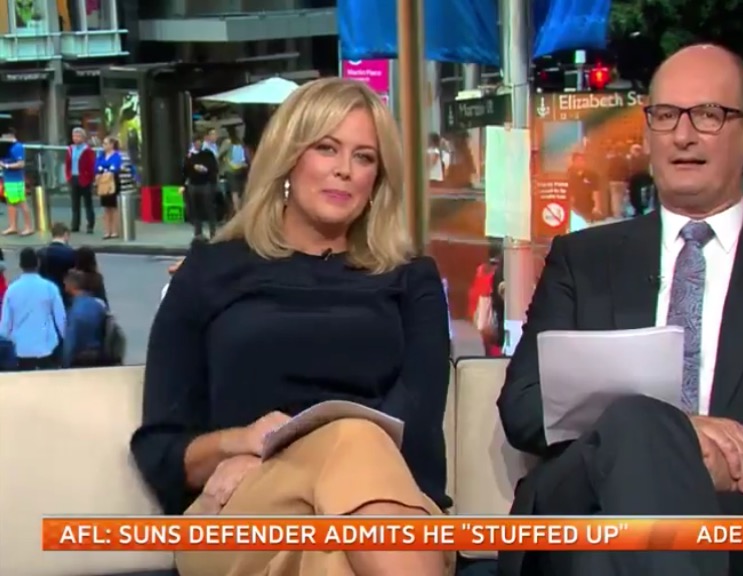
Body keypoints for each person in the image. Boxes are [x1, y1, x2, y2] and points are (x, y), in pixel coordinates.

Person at [497, 44, 743, 576]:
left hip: (741, 518)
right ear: (648, 131)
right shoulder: (583, 259)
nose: (682, 136)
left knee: (605, 557)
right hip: (586, 500)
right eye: (665, 116)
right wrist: (675, 437)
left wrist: (723, 464)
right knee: (638, 422)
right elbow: (523, 408)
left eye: (707, 115)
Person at [131, 77, 452, 576]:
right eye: (327, 148)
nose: (345, 169)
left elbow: (418, 423)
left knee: (334, 550)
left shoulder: (411, 279)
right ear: (288, 156)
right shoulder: (209, 271)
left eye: (364, 157)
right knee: (354, 439)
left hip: (389, 499)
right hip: (244, 505)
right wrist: (242, 444)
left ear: (377, 179)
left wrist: (304, 454)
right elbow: (161, 449)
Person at [0, 248, 66, 370]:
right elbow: (61, 320)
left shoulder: (12, 290)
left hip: (21, 349)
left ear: (20, 265)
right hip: (46, 347)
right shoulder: (49, 287)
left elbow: (5, 325)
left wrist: (11, 339)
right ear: (38, 263)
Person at [61, 269, 108, 368]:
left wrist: (65, 365)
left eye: (65, 283)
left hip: (80, 360)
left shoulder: (74, 311)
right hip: (99, 356)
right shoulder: (98, 305)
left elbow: (70, 342)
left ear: (72, 286)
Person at [182, 133, 220, 239]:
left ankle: (213, 232)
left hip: (206, 184)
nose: (198, 145)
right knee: (196, 210)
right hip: (193, 184)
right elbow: (185, 171)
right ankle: (198, 233)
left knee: (209, 208)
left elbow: (214, 168)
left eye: (199, 142)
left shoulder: (208, 154)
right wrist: (192, 166)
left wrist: (206, 169)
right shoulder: (190, 156)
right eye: (196, 143)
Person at [1, 127, 33, 236]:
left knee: (21, 202)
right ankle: (13, 226)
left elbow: (21, 163)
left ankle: (28, 227)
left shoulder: (17, 147)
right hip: (8, 179)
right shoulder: (5, 147)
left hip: (16, 180)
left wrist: (6, 165)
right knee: (10, 202)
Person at [65, 127, 97, 234]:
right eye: (74, 136)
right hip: (73, 178)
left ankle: (90, 225)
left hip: (85, 178)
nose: (76, 138)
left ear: (83, 138)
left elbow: (91, 165)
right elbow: (68, 164)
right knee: (75, 204)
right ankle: (75, 225)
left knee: (88, 203)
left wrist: (90, 178)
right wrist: (68, 176)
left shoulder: (87, 150)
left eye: (78, 136)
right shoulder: (70, 149)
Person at [38, 222, 76, 307]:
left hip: (45, 292)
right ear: (65, 234)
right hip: (64, 294)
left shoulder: (40, 253)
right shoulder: (70, 253)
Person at [94, 136, 123, 239]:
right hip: (103, 183)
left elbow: (114, 167)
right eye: (103, 143)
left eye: (106, 143)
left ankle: (115, 230)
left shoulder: (116, 155)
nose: (104, 145)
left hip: (113, 182)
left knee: (114, 207)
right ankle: (107, 231)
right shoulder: (101, 156)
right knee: (106, 208)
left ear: (111, 145)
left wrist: (104, 168)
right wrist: (103, 169)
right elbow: (96, 166)